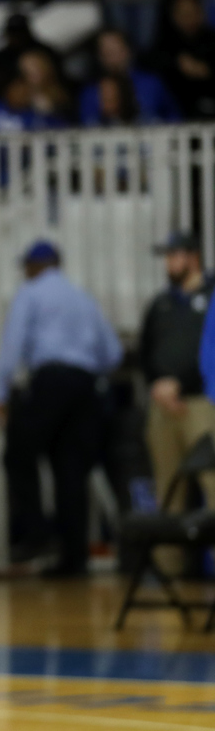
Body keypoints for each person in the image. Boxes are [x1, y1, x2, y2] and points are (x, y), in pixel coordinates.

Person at [0, 241, 123, 574]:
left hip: (50, 381)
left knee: (17, 453)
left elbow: (12, 347)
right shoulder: (83, 298)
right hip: (85, 387)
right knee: (71, 471)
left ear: (35, 267)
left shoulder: (31, 293)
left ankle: (37, 532)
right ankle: (74, 559)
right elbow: (113, 353)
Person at [139, 232, 215, 573]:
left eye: (175, 255)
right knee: (169, 491)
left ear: (193, 257)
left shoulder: (211, 296)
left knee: (213, 485)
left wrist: (182, 383)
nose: (169, 263)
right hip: (162, 408)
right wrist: (158, 385)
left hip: (201, 403)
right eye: (167, 256)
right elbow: (145, 351)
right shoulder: (160, 304)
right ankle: (169, 577)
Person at [80, 28, 181, 124]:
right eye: (106, 52)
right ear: (99, 57)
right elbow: (86, 125)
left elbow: (175, 117)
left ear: (128, 51)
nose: (112, 58)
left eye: (116, 51)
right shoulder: (91, 91)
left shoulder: (151, 83)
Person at [156, 0, 215, 119]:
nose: (188, 16)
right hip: (180, 115)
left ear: (201, 12)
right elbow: (150, 64)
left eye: (192, 11)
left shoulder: (212, 39)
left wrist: (207, 70)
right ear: (173, 15)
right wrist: (177, 64)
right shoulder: (165, 43)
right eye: (183, 12)